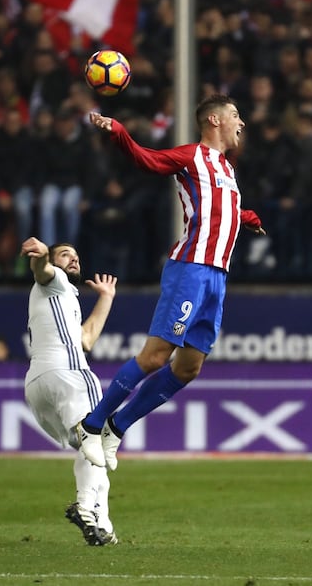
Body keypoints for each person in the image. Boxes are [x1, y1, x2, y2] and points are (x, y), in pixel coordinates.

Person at [72, 94, 266, 471]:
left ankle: (116, 427)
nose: (242, 123)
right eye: (236, 114)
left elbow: (220, 208)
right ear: (214, 119)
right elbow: (148, 159)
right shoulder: (191, 156)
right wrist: (121, 133)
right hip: (190, 269)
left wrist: (245, 216)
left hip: (218, 277)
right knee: (156, 356)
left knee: (188, 367)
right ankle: (90, 425)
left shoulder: (227, 169)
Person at [20, 236, 118, 546]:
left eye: (75, 255)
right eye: (64, 254)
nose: (72, 259)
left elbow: (86, 340)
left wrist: (106, 296)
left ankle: (101, 523)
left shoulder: (62, 300)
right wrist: (40, 256)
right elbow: (42, 270)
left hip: (37, 385)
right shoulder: (54, 281)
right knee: (97, 438)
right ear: (53, 259)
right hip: (68, 374)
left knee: (92, 447)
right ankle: (86, 506)